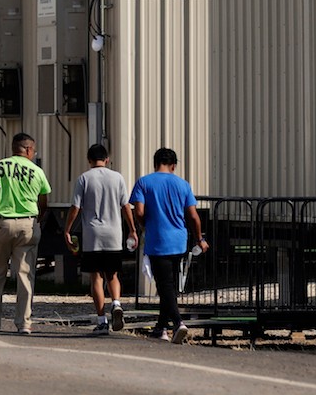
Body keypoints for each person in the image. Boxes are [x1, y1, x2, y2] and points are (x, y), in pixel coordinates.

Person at [129, 147, 208, 344]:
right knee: (169, 285)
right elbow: (193, 216)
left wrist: (145, 224)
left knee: (165, 286)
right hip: (179, 241)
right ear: (173, 166)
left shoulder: (144, 182)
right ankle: (161, 328)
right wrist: (200, 239)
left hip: (157, 240)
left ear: (155, 163)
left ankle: (178, 322)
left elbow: (138, 211)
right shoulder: (182, 184)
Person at [0, 133, 51, 334]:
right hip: (28, 224)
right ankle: (24, 322)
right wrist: (37, 220)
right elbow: (44, 202)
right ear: (28, 150)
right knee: (25, 275)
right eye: (33, 150)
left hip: (1, 223)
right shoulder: (37, 171)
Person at [63, 143, 137, 335]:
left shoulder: (84, 179)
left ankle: (102, 320)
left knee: (96, 276)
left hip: (92, 234)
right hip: (114, 233)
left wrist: (68, 229)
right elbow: (125, 206)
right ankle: (117, 303)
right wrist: (132, 229)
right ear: (107, 159)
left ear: (89, 160)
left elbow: (75, 207)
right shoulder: (118, 177)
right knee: (112, 274)